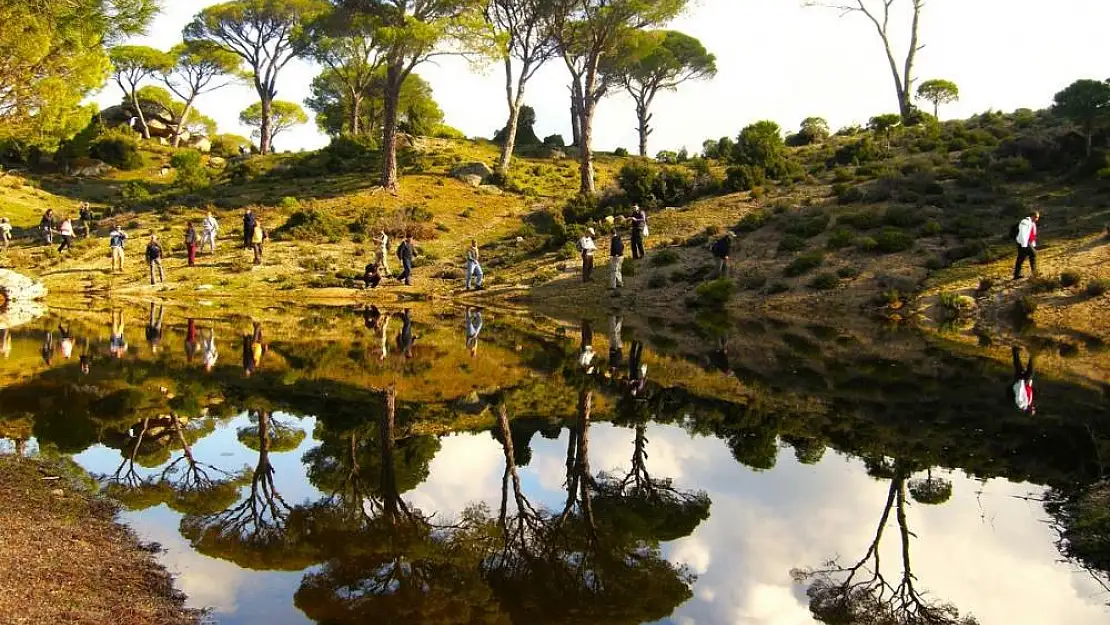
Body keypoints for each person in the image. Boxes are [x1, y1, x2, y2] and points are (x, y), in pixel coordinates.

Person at [1013, 211, 1040, 280]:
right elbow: (1022, 233)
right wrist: (1024, 245)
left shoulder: (1032, 223)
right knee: (1033, 254)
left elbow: (1032, 235)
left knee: (1021, 258)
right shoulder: (1025, 221)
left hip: (1027, 243)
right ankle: (1034, 272)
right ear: (1033, 216)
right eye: (1036, 217)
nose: (1037, 219)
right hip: (1023, 242)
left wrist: (1033, 244)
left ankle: (1016, 275)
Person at [1010, 345, 1036, 415]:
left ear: (1029, 410)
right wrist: (1030, 383)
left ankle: (1032, 354)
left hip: (1021, 383)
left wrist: (1021, 382)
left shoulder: (1021, 404)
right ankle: (1016, 351)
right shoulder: (1029, 403)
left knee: (1029, 371)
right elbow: (1029, 391)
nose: (1033, 407)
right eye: (1034, 409)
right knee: (1019, 367)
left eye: (1032, 409)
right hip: (1025, 383)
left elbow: (1019, 393)